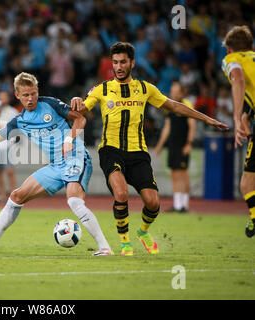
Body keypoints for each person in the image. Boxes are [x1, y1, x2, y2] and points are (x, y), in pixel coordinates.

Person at [70, 42, 228, 256]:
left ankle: (142, 232)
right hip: (110, 150)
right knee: (121, 193)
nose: (118, 66)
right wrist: (76, 102)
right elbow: (79, 111)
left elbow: (174, 105)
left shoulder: (145, 89)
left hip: (138, 153)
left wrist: (207, 119)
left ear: (132, 63)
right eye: (115, 62)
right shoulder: (102, 89)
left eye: (123, 62)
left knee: (153, 203)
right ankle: (125, 243)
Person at [0, 72, 113, 256]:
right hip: (56, 165)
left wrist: (69, 139)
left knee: (73, 200)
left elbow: (81, 119)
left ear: (37, 91)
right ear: (17, 95)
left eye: (33, 93)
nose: (30, 98)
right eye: (25, 95)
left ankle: (104, 247)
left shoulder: (50, 104)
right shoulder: (20, 120)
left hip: (76, 157)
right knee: (16, 196)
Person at [221, 26, 255, 237]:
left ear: (229, 49)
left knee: (247, 183)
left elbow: (238, 77)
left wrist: (236, 117)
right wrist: (247, 115)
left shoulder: (231, 59)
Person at [154, 81, 196, 213]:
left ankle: (185, 205)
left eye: (176, 90)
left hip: (183, 144)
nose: (174, 93)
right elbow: (167, 127)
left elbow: (192, 125)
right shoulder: (169, 107)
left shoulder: (187, 105)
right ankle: (178, 205)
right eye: (172, 91)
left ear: (182, 92)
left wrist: (189, 143)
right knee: (174, 174)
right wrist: (160, 145)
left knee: (183, 174)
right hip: (173, 145)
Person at [0, 91, 19, 202]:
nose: (2, 99)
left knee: (9, 171)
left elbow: (15, 127)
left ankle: (14, 194)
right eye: (0, 96)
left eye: (4, 96)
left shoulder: (13, 111)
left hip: (9, 144)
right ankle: (2, 194)